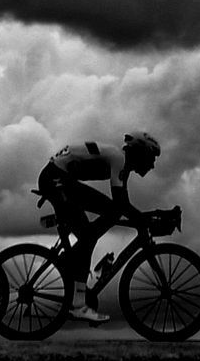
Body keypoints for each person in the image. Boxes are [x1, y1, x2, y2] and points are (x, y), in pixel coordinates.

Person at [37, 131, 160, 324]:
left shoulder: (120, 162)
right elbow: (121, 203)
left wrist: (142, 217)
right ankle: (78, 305)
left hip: (58, 177)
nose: (152, 165)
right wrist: (144, 219)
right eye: (152, 158)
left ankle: (75, 258)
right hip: (56, 178)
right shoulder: (119, 159)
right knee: (93, 231)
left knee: (104, 220)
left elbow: (122, 204)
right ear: (141, 152)